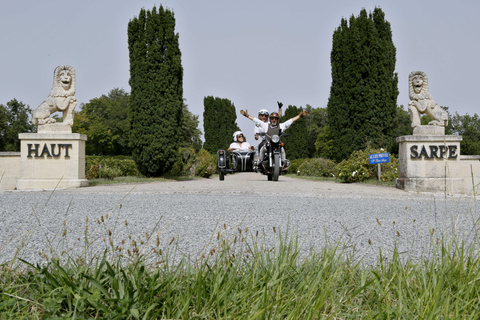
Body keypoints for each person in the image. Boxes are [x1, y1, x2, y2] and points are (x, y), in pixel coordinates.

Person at [240, 109, 307, 168]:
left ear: (277, 120)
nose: (274, 120)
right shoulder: (266, 125)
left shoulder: (281, 126)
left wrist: (299, 116)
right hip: (268, 143)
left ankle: (284, 162)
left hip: (277, 144)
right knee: (262, 150)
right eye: (272, 118)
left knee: (282, 149)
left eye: (275, 119)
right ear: (270, 119)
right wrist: (247, 115)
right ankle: (260, 161)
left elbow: (290, 121)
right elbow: (256, 120)